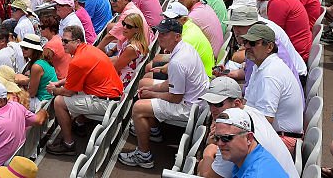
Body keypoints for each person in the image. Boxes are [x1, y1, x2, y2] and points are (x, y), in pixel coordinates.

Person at [118, 18, 208, 168]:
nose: (160, 37)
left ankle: (143, 155)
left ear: (177, 36)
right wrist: (151, 89)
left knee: (138, 107)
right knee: (144, 83)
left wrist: (152, 95)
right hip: (192, 98)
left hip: (189, 107)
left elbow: (175, 98)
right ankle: (153, 130)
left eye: (165, 34)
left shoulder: (178, 62)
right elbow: (172, 84)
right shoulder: (183, 48)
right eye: (160, 33)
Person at [45, 25, 124, 154]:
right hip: (113, 96)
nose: (62, 44)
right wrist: (59, 82)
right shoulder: (89, 50)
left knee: (59, 102)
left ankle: (68, 144)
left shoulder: (78, 60)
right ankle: (80, 124)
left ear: (77, 41)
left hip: (106, 102)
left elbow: (68, 92)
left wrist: (54, 89)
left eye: (65, 41)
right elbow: (75, 78)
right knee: (78, 90)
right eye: (62, 40)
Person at [197, 77, 299, 178]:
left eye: (218, 104)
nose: (212, 109)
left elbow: (210, 176)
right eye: (210, 103)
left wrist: (208, 154)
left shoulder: (235, 137)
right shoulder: (251, 112)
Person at [238, 23, 304, 153]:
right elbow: (247, 103)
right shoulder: (260, 66)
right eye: (246, 42)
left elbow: (265, 121)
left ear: (269, 47)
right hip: (275, 134)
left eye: (253, 43)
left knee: (226, 144)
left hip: (283, 140)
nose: (246, 46)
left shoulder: (270, 75)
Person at [209, 109, 290, 178]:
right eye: (217, 138)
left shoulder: (256, 174)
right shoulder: (249, 157)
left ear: (249, 138)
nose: (219, 143)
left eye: (226, 138)